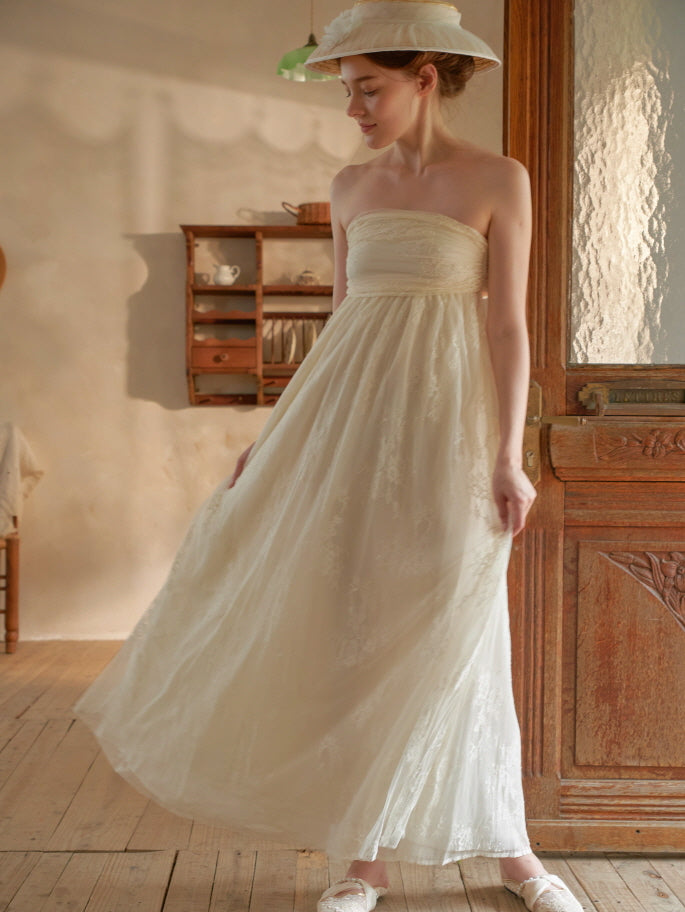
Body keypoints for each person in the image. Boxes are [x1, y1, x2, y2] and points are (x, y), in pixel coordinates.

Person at [76, 2, 583, 911]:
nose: (352, 108)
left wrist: (506, 458)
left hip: (447, 430)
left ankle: (515, 856)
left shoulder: (498, 178)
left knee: (460, 627)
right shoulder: (350, 189)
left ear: (424, 79)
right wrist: (272, 444)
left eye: (367, 89)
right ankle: (365, 863)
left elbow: (506, 328)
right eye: (347, 92)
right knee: (356, 631)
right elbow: (340, 326)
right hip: (350, 429)